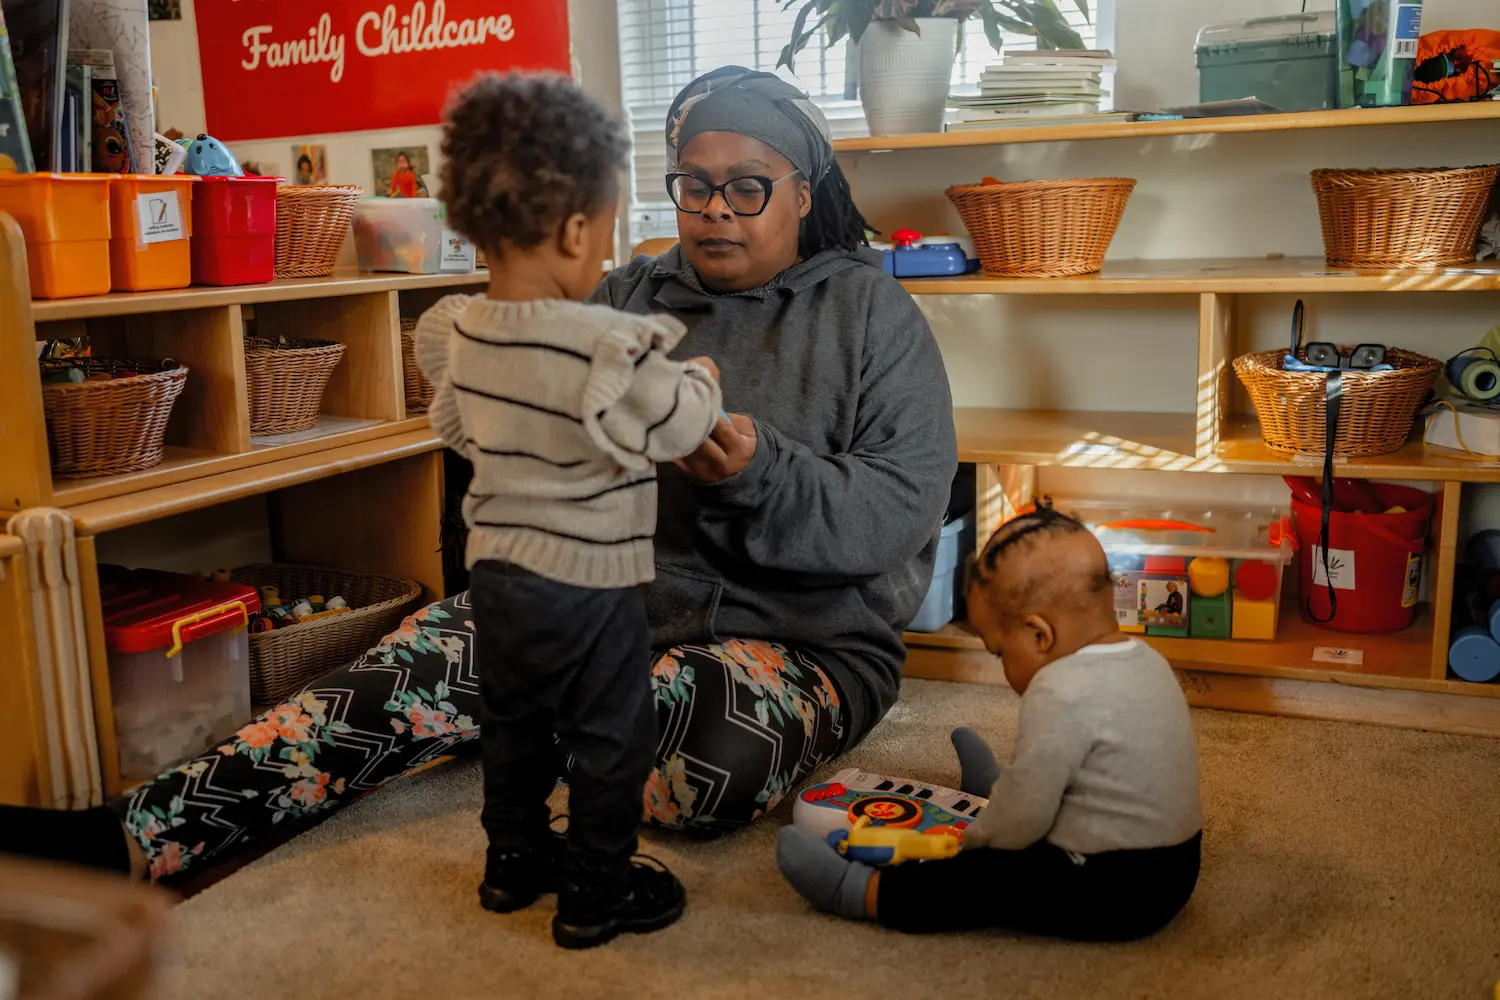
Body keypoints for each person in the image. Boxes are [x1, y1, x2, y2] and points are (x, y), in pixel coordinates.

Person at [0, 66, 956, 888]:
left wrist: (755, 470)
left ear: (803, 194)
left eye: (747, 188)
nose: (713, 209)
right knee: (380, 686)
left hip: (799, 641)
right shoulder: (626, 292)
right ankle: (123, 839)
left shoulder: (873, 317)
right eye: (692, 185)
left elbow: (893, 518)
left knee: (703, 769)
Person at [415, 73, 722, 949]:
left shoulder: (459, 329)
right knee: (609, 737)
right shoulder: (602, 344)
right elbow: (677, 422)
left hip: (500, 577)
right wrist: (700, 383)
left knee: (512, 723)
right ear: (576, 229)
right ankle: (596, 889)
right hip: (589, 584)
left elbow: (457, 425)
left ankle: (511, 866)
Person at [777, 499, 1203, 941]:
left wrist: (974, 837)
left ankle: (864, 893)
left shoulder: (1060, 689)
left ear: (1040, 635)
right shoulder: (1149, 661)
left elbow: (1023, 821)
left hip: (1117, 891)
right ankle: (995, 793)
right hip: (1176, 867)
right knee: (1022, 810)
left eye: (999, 652)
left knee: (986, 876)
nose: (1001, 666)